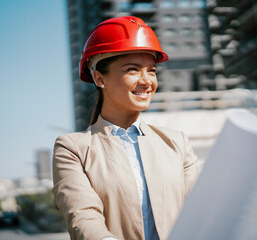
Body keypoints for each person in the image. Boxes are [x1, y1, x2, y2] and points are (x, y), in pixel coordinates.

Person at [52, 16, 198, 240]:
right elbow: (82, 217)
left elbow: (198, 211)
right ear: (100, 79)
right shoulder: (73, 149)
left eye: (151, 70)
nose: (146, 80)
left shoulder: (177, 143)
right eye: (132, 69)